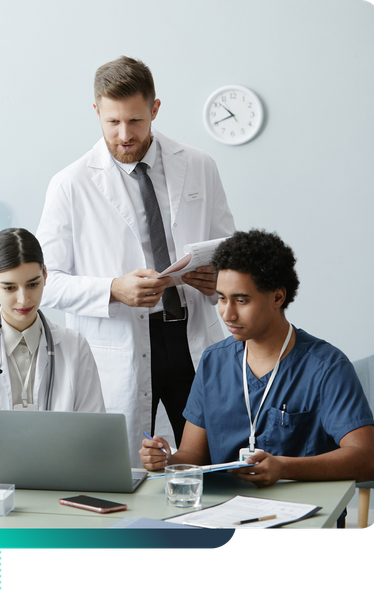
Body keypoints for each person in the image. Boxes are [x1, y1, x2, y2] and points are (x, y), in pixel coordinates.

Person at [36, 56, 235, 464]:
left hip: (192, 336)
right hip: (120, 344)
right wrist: (112, 289)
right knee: (124, 470)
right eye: (112, 123)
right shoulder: (70, 184)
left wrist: (220, 280)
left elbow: (231, 251)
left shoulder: (198, 166)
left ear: (155, 109)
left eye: (135, 122)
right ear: (96, 112)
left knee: (211, 465)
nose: (124, 135)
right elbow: (46, 282)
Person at [140, 229, 374, 488]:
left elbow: (369, 461)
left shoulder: (326, 367)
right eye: (222, 298)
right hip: (226, 512)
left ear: (278, 297)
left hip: (302, 515)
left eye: (241, 301)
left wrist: (283, 467)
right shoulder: (213, 361)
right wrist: (167, 460)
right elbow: (193, 456)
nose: (228, 314)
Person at [0, 228, 105, 465]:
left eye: (33, 284)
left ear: (45, 276)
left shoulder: (75, 346)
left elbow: (92, 430)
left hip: (57, 474)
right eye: (10, 287)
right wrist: (8, 460)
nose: (24, 299)